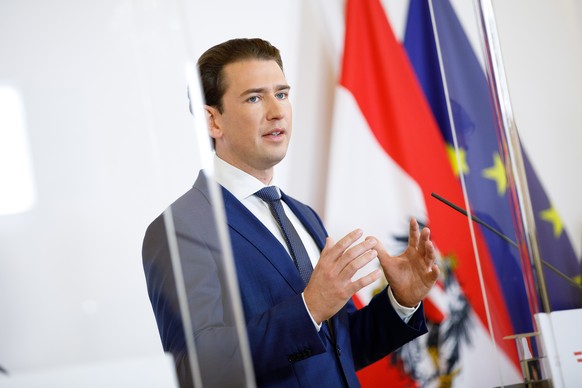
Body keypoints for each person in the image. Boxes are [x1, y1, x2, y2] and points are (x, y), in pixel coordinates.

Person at [142, 38, 439, 387]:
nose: (277, 111)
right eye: (254, 98)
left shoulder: (303, 215)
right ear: (212, 122)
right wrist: (309, 307)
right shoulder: (182, 228)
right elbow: (198, 368)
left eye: (282, 94)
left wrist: (401, 301)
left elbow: (339, 350)